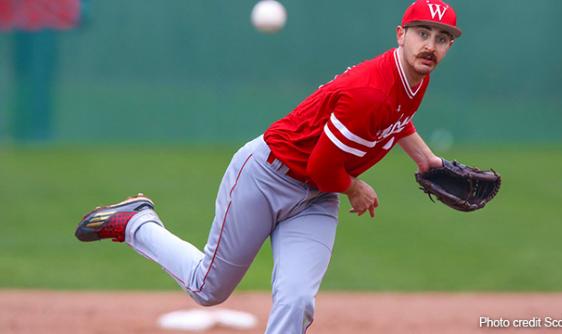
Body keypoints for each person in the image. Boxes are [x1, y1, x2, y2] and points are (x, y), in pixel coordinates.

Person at [74, 1, 461, 333]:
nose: (430, 45)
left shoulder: (413, 78)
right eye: (422, 33)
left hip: (316, 197)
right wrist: (356, 189)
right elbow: (324, 164)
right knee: (208, 288)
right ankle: (137, 222)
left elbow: (396, 118)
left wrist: (426, 160)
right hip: (265, 178)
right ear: (400, 34)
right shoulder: (370, 90)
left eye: (441, 38)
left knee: (296, 299)